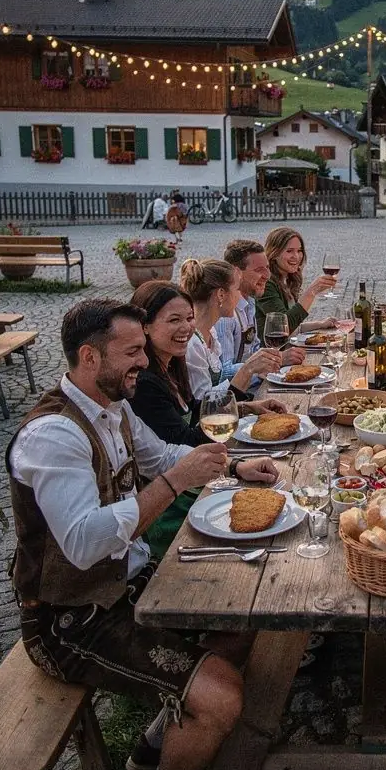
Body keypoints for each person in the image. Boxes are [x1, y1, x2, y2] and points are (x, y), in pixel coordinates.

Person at [7, 298, 280, 770]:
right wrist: (176, 481)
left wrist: (230, 468)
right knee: (223, 695)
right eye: (131, 353)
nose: (143, 362)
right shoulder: (53, 435)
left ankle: (156, 742)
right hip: (69, 620)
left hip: (126, 585)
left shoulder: (112, 407)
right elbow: (83, 543)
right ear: (88, 356)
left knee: (246, 610)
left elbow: (166, 455)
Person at [129, 280, 284, 559]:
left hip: (197, 478)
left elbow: (197, 410)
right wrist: (242, 382)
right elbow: (192, 440)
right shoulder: (145, 384)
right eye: (174, 320)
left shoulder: (171, 364)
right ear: (145, 326)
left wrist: (246, 407)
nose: (187, 327)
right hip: (169, 506)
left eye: (189, 318)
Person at [179, 257, 283, 404]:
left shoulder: (210, 333)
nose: (240, 297)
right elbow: (205, 407)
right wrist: (248, 369)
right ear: (221, 294)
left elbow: (219, 381)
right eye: (237, 289)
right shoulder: (193, 343)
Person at [214, 239, 305, 389]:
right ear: (236, 272)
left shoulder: (249, 301)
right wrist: (278, 359)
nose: (267, 275)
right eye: (258, 270)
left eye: (267, 268)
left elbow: (254, 349)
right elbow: (221, 374)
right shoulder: (225, 316)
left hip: (254, 386)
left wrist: (270, 359)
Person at [255, 228, 336, 341]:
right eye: (289, 251)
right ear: (274, 253)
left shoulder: (288, 279)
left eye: (299, 250)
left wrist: (320, 324)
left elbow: (293, 325)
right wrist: (311, 292)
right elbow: (284, 328)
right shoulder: (267, 284)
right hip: (272, 353)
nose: (296, 256)